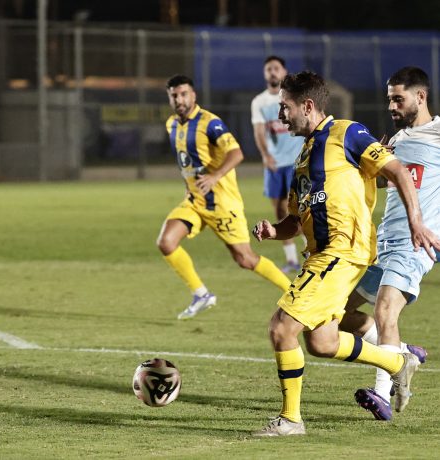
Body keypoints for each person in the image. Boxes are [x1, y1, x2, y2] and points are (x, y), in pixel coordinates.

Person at [251, 70, 439, 436]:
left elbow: (399, 172)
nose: (280, 115)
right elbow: (295, 220)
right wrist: (274, 231)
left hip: (342, 252)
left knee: (281, 327)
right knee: (322, 341)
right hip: (323, 254)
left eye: (285, 107)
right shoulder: (304, 158)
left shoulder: (347, 133)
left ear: (308, 106)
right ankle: (397, 362)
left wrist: (417, 223)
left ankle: (290, 420)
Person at [338, 67, 438, 421]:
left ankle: (381, 393)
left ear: (420, 97)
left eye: (399, 99)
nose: (391, 106)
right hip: (381, 245)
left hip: (414, 244)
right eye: (389, 99)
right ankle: (402, 353)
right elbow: (389, 183)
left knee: (385, 310)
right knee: (337, 314)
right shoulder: (397, 139)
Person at [159, 74, 291, 320]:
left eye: (184, 94)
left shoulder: (210, 123)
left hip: (222, 203)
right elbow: (188, 162)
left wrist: (215, 176)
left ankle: (293, 292)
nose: (179, 99)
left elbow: (236, 153)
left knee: (245, 259)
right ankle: (201, 294)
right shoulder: (172, 125)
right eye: (174, 95)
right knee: (166, 242)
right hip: (195, 202)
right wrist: (189, 185)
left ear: (193, 95)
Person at [251, 56, 304, 272]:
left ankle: (311, 251)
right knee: (280, 211)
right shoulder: (260, 102)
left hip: (297, 162)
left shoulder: (294, 97)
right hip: (274, 164)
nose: (272, 72)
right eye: (268, 69)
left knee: (303, 208)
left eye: (276, 68)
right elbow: (259, 131)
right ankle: (291, 259)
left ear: (284, 71)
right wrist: (266, 155)